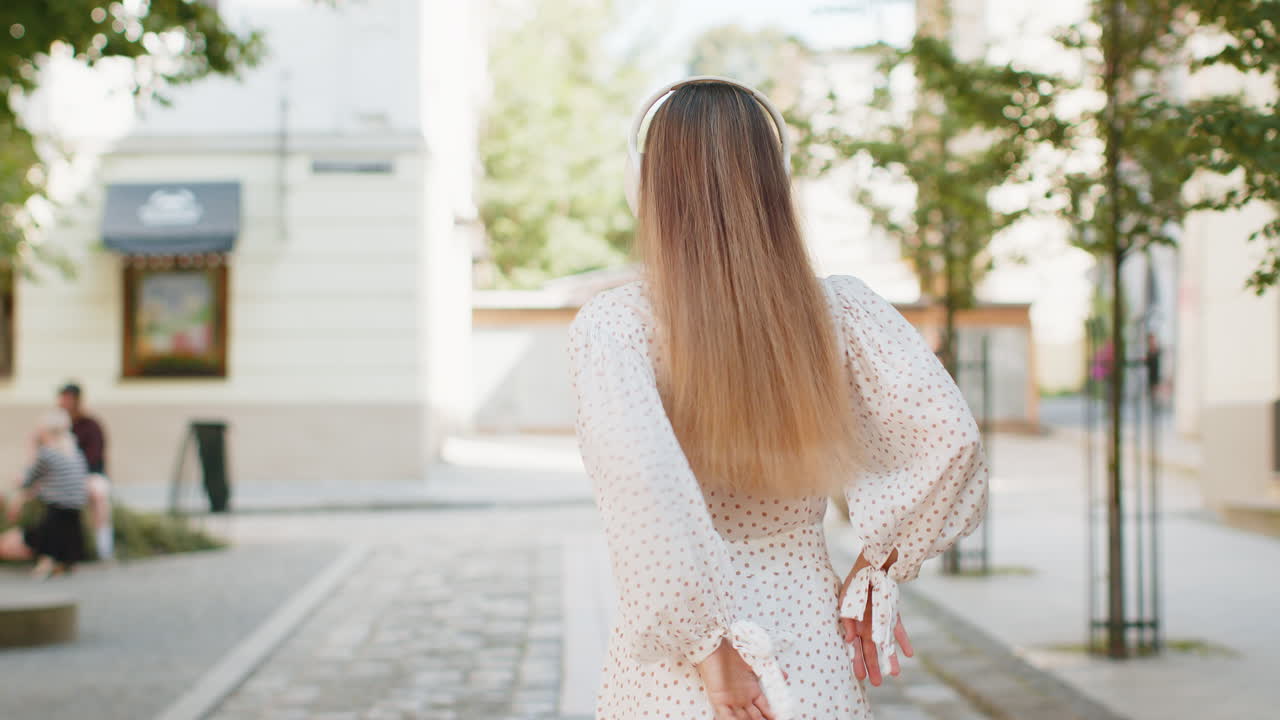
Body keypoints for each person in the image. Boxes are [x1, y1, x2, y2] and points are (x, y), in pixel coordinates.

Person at [568, 77, 988, 720]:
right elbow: (949, 438)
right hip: (809, 634)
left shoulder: (620, 327)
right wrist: (881, 561)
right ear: (775, 182)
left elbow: (644, 488)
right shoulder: (839, 312)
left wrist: (714, 655)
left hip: (682, 671)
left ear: (646, 184)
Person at [1, 410, 90, 579]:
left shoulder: (47, 453)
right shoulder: (75, 452)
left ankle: (45, 562)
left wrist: (31, 448)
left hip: (55, 514)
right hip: (74, 515)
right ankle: (62, 561)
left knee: (11, 542)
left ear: (45, 432)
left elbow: (27, 480)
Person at [57, 382, 114, 560]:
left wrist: (75, 474)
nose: (64, 402)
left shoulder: (91, 425)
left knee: (98, 495)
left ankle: (103, 548)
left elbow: (94, 456)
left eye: (68, 398)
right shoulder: (57, 426)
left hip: (90, 475)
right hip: (62, 477)